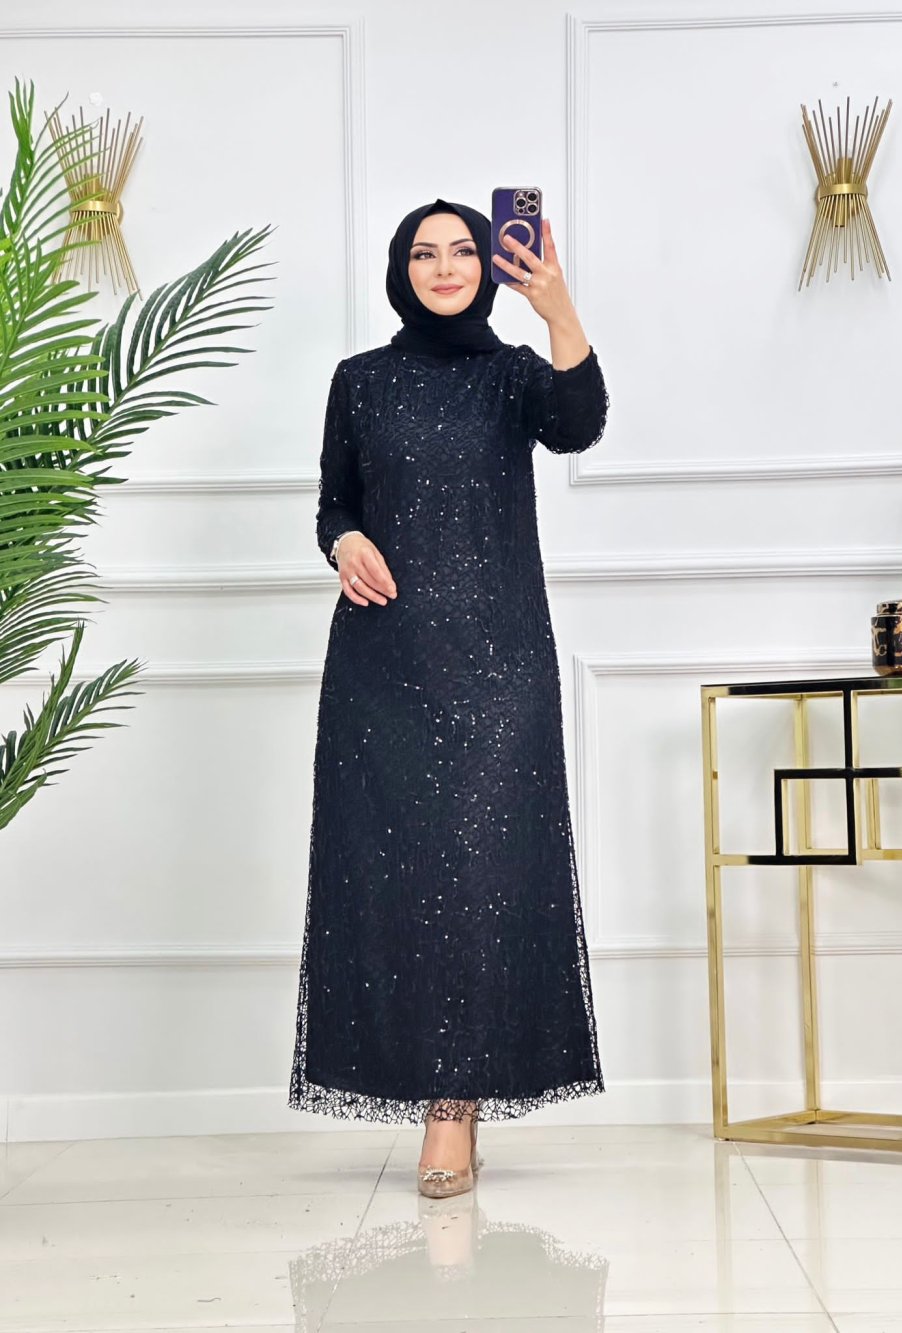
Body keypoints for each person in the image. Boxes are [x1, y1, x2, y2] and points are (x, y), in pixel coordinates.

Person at [288, 196, 609, 1198]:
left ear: (486, 267)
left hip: (500, 662)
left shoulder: (512, 376)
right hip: (383, 666)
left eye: (463, 250)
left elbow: (579, 424)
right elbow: (333, 502)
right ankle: (430, 1086)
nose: (443, 267)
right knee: (395, 883)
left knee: (479, 880)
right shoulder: (359, 381)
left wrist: (557, 308)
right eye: (423, 253)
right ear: (401, 269)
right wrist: (345, 541)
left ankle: (453, 1109)